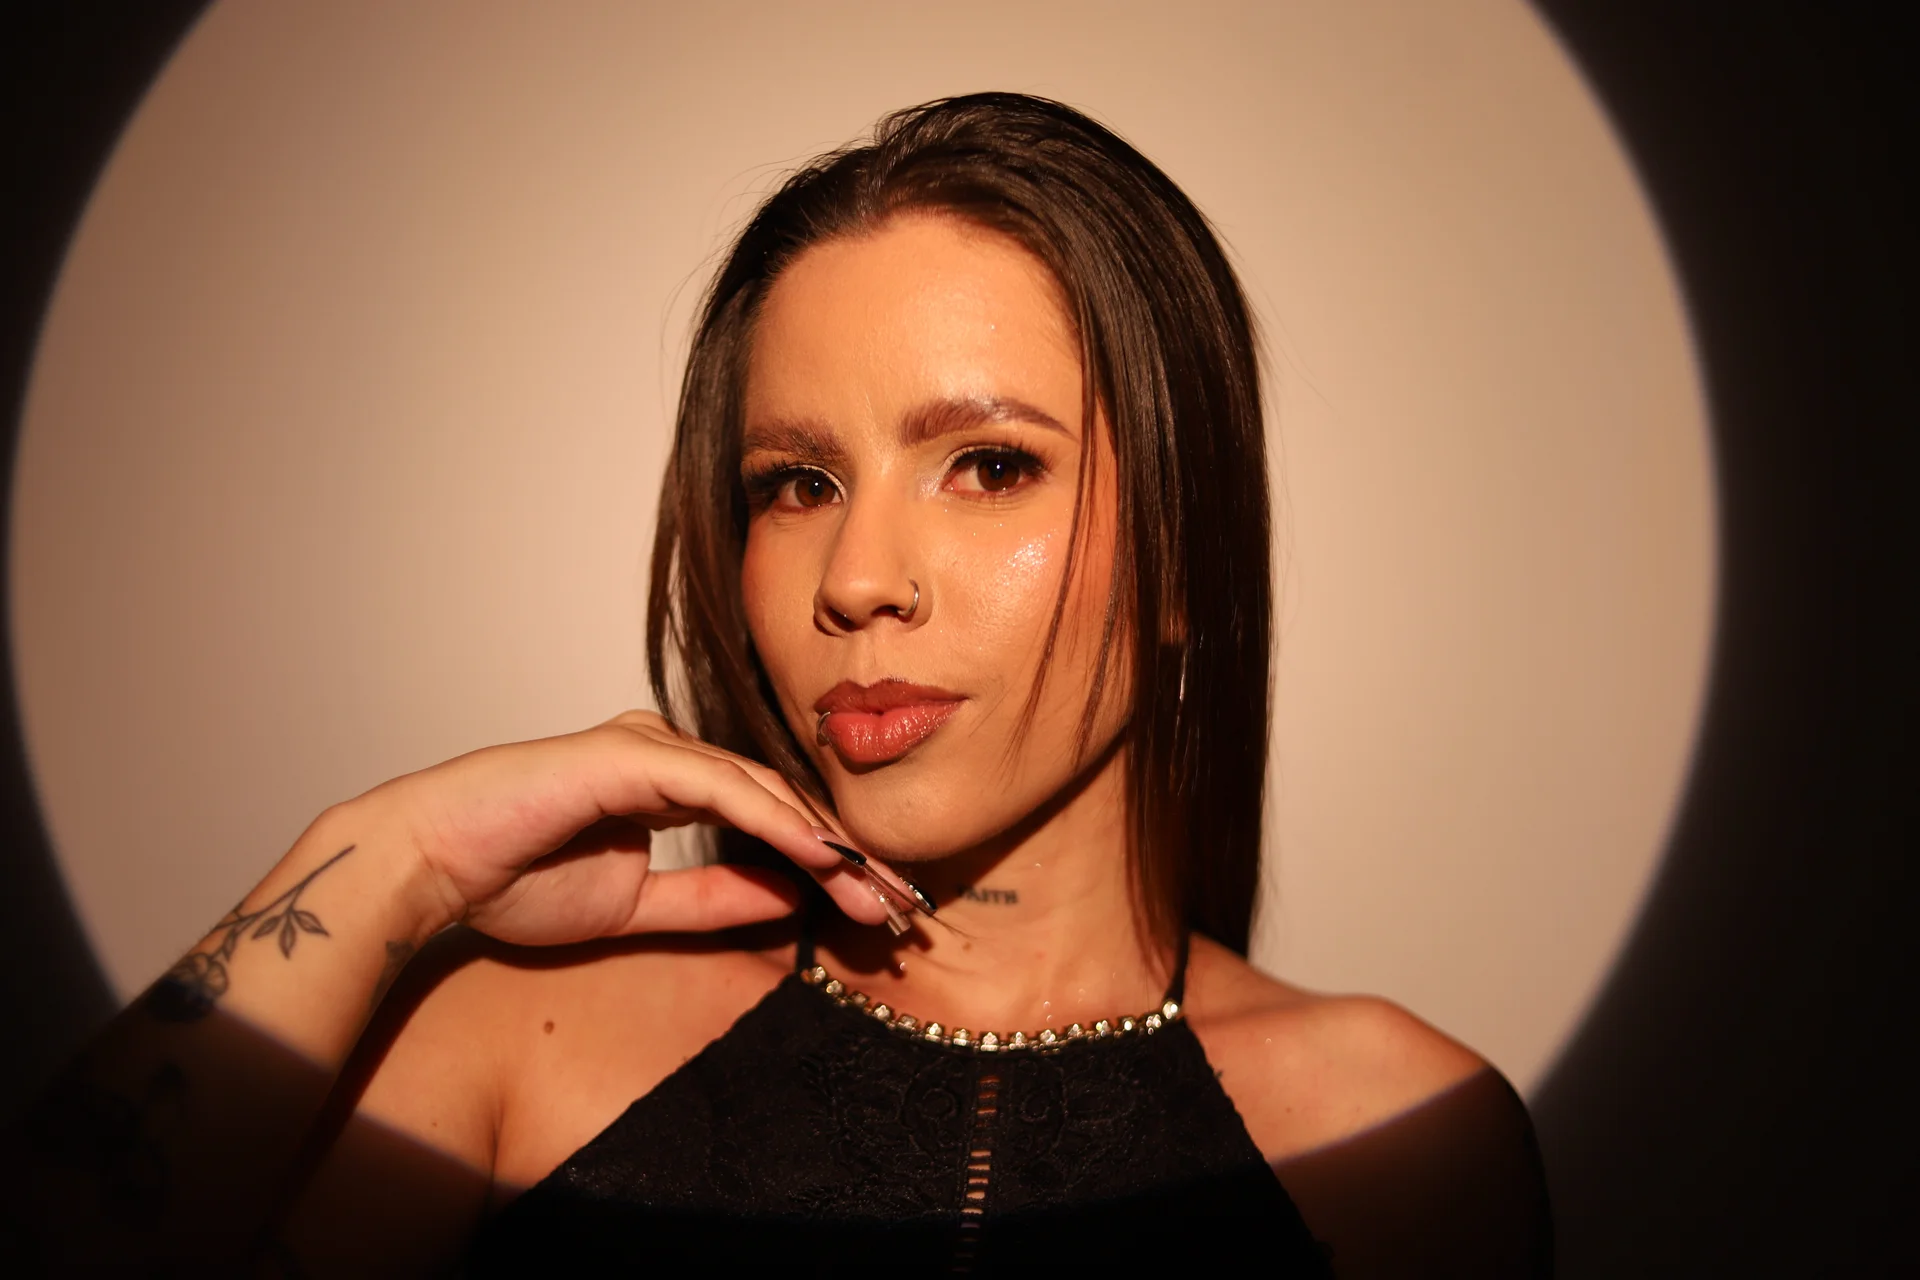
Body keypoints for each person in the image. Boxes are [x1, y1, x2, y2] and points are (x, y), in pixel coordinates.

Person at [5, 93, 1551, 1275]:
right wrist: (387, 861)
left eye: (988, 465)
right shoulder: (509, 1042)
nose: (856, 577)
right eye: (797, 483)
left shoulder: (1404, 1135)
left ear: (1187, 558)